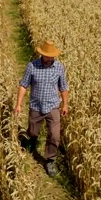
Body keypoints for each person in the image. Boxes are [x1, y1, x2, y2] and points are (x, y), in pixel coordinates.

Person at [14, 40, 69, 177]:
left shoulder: (59, 68)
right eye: (47, 55)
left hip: (53, 106)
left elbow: (63, 87)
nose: (49, 58)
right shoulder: (32, 66)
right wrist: (19, 104)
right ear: (42, 54)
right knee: (33, 131)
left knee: (55, 135)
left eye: (51, 55)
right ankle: (32, 142)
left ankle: (50, 160)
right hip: (36, 106)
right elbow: (23, 85)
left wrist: (65, 104)